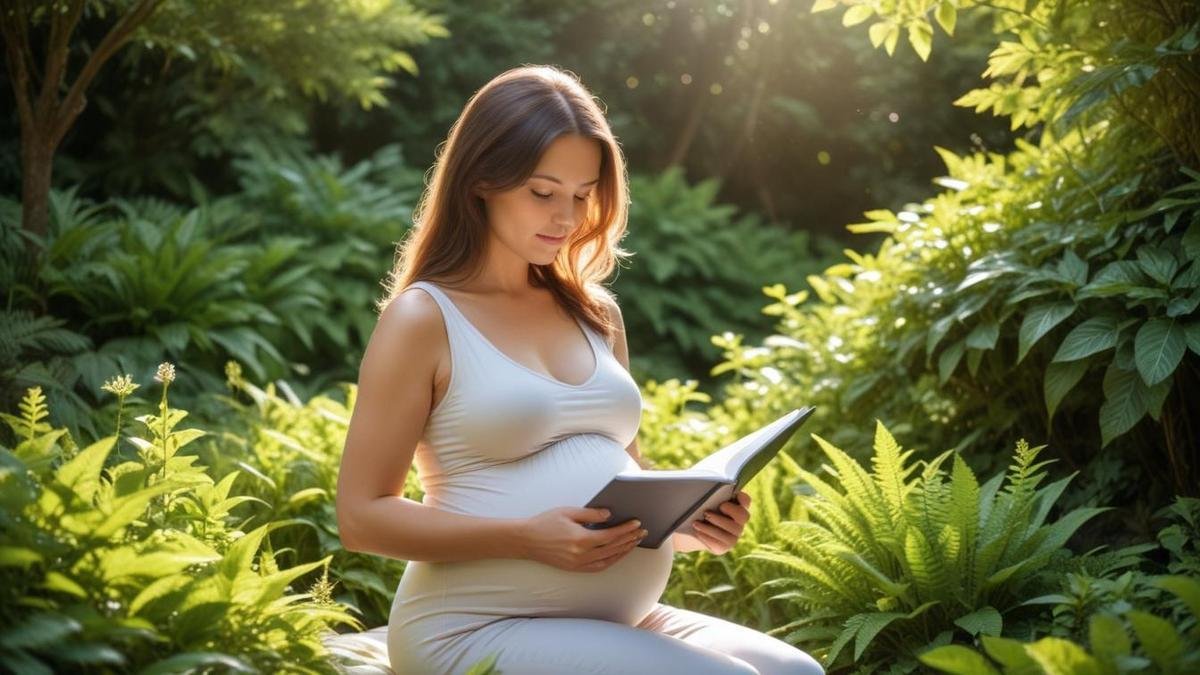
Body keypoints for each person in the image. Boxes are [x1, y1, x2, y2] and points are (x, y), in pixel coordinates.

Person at [333, 64, 824, 675]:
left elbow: (627, 493)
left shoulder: (597, 314)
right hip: (472, 626)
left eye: (582, 194)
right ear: (481, 181)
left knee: (799, 673)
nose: (565, 218)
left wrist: (692, 524)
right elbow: (360, 516)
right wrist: (523, 537)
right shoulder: (425, 317)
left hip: (615, 618)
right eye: (543, 192)